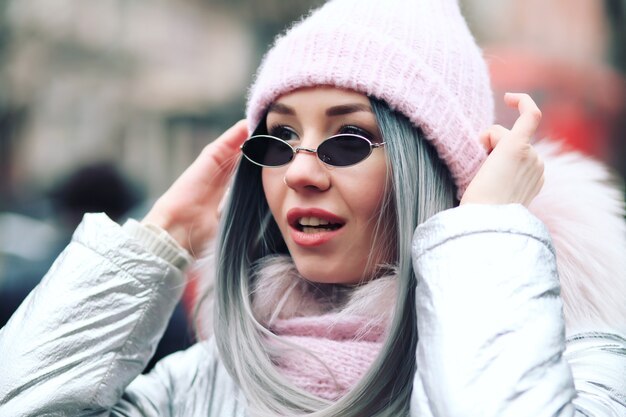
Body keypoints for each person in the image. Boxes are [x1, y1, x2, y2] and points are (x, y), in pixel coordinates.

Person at [1, 0, 625, 416]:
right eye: (276, 139)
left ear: (439, 169)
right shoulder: (206, 382)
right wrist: (159, 238)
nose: (299, 170)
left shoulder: (581, 367)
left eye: (348, 139)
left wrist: (488, 235)